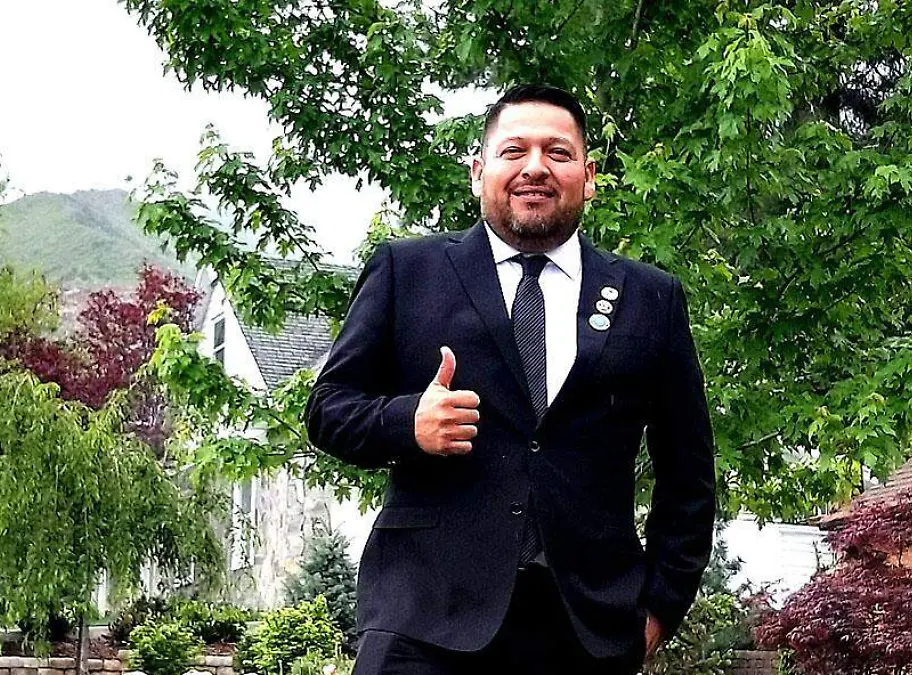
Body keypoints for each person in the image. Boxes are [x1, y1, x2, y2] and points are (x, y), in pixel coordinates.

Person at [305, 84, 716, 675]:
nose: (535, 168)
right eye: (514, 151)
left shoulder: (651, 298)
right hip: (421, 623)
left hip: (586, 630)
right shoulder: (408, 271)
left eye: (558, 152)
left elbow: (688, 473)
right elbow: (328, 408)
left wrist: (660, 608)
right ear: (479, 173)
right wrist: (407, 422)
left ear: (588, 177)